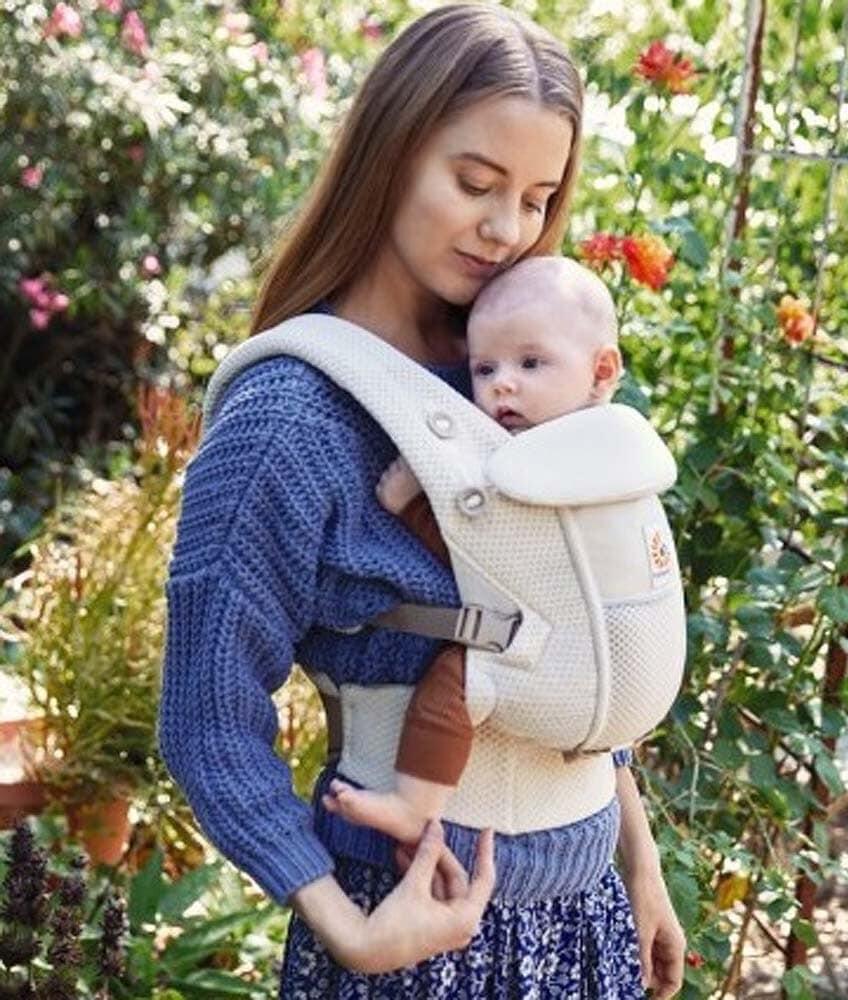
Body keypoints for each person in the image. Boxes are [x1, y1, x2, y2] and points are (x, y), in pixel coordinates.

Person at [158, 4, 686, 997]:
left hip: (586, 913)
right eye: (475, 183)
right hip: (411, 926)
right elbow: (207, 719)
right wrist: (345, 929)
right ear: (391, 152)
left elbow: (577, 618)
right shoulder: (290, 419)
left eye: (536, 198)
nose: (506, 229)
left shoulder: (519, 375)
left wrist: (638, 862)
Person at [322, 255, 629, 843]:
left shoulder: (549, 459)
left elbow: (486, 557)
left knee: (456, 679)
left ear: (601, 370)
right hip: (601, 664)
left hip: (558, 648)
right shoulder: (618, 447)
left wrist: (412, 508)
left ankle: (415, 804)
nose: (501, 384)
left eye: (531, 363)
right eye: (485, 369)